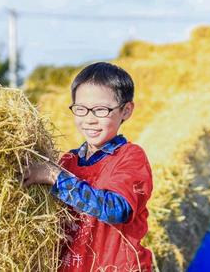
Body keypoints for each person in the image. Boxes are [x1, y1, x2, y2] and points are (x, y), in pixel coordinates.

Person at [21, 62, 153, 271]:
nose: (89, 119)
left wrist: (56, 178)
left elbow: (117, 210)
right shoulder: (67, 162)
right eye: (81, 109)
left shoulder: (130, 157)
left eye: (101, 110)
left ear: (126, 111)